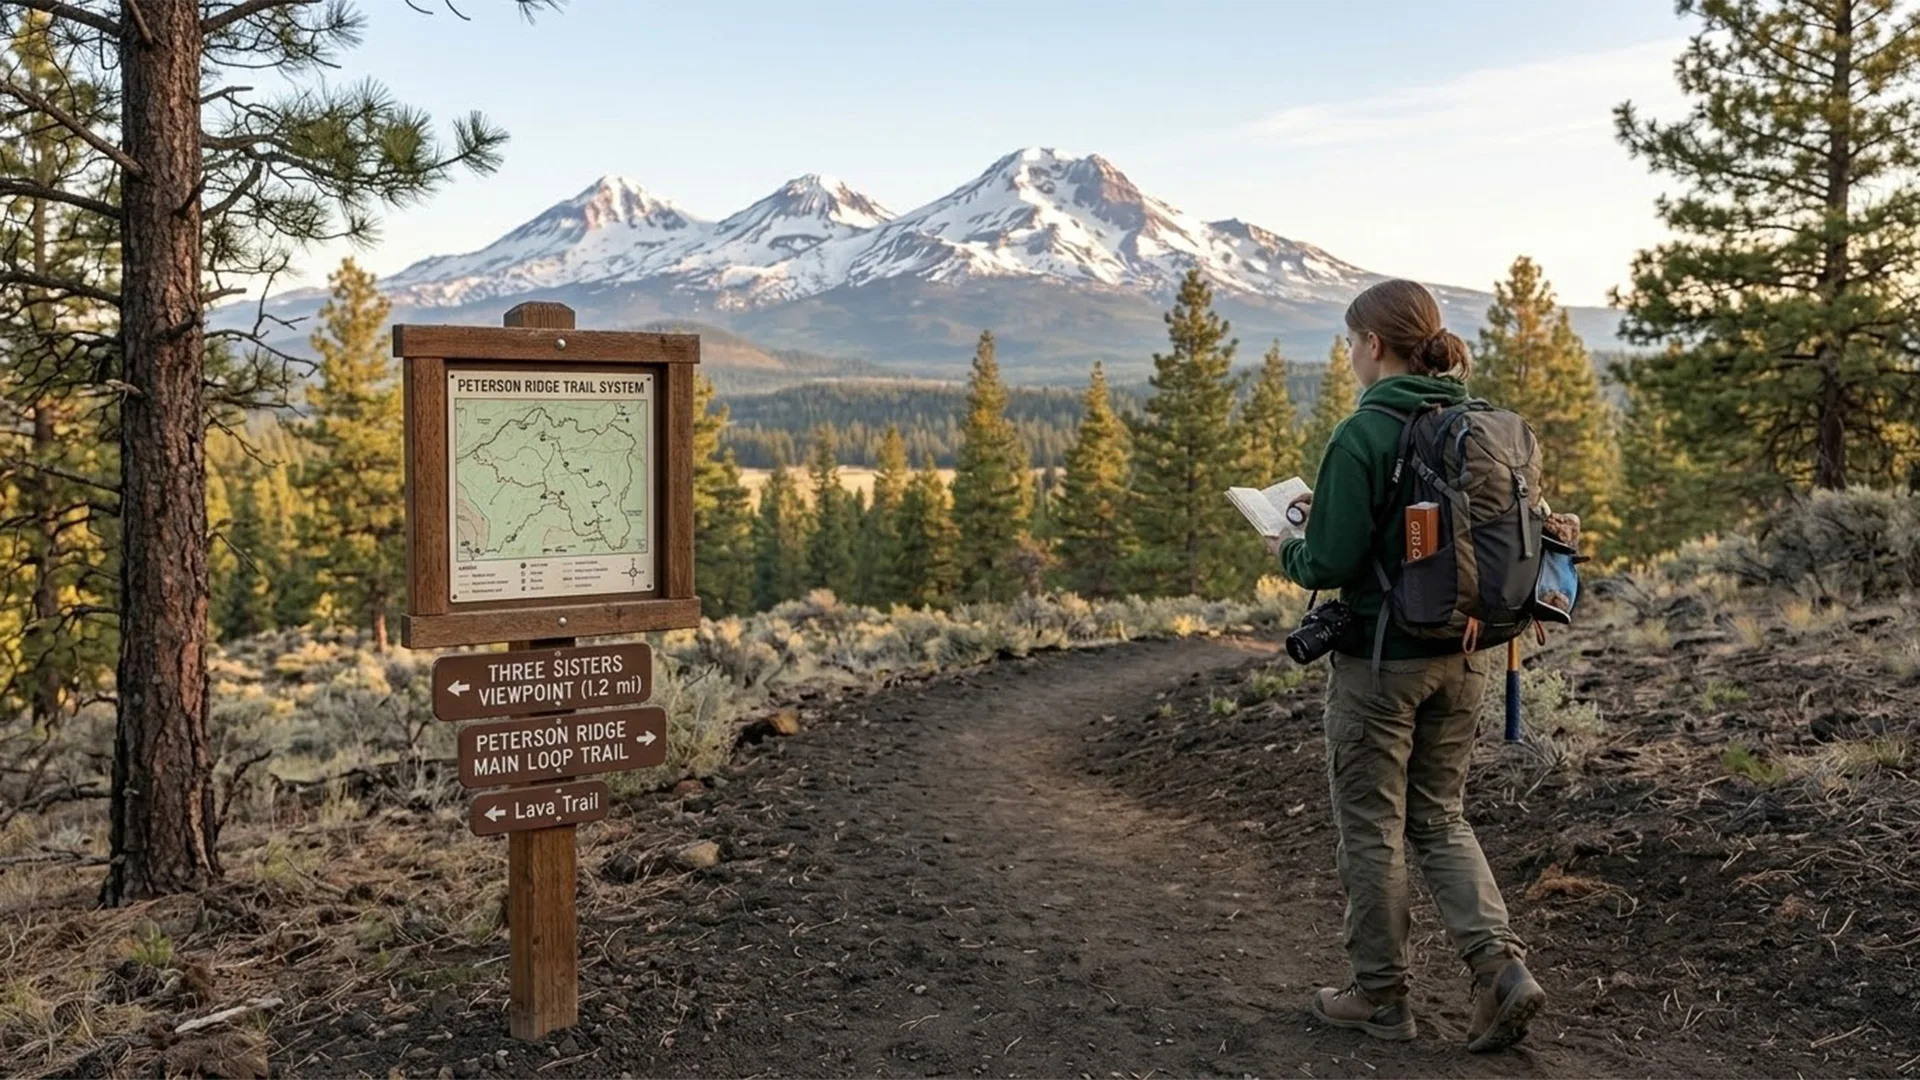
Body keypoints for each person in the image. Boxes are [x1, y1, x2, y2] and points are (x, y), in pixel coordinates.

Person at [1266, 279, 1546, 1053]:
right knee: (1440, 816)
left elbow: (1329, 558)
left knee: (1371, 828)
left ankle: (1380, 998)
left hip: (1381, 664)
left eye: (1350, 342)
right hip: (1467, 654)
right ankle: (1500, 969)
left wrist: (1284, 548)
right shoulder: (1482, 424)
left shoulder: (1363, 433)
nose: (1349, 355)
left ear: (1374, 345)